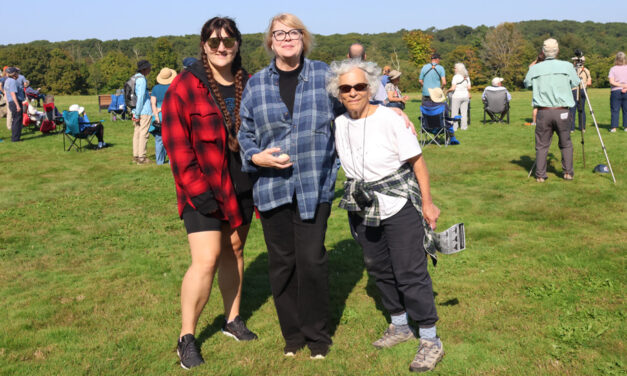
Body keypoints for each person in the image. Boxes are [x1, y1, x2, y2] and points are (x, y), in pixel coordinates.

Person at [327, 58, 444, 372]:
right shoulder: (338, 123)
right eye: (346, 88)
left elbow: (418, 164)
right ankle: (399, 325)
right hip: (362, 204)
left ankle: (430, 338)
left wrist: (428, 204)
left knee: (410, 270)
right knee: (377, 266)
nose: (353, 92)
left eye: (359, 86)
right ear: (338, 93)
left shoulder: (391, 119)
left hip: (398, 203)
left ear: (370, 88)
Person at [238, 13, 341, 359]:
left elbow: (352, 111)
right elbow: (245, 134)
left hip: (315, 183)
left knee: (311, 260)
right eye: (279, 33)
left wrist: (391, 113)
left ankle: (318, 337)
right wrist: (256, 158)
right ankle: (293, 336)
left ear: (303, 38)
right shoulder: (255, 85)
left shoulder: (324, 76)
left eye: (293, 32)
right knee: (282, 263)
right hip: (272, 187)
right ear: (270, 41)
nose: (286, 38)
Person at [161, 16, 258, 370]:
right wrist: (197, 190)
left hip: (242, 180)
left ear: (237, 45)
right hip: (201, 184)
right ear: (204, 45)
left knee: (235, 249)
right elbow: (176, 145)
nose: (221, 47)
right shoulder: (185, 87)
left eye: (228, 42)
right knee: (205, 259)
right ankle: (187, 337)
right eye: (214, 42)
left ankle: (232, 319)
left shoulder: (248, 82)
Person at [524, 38, 580, 182]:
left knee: (542, 145)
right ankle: (568, 173)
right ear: (558, 51)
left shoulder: (535, 68)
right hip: (562, 110)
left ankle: (540, 175)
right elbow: (575, 83)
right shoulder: (567, 66)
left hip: (543, 111)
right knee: (566, 142)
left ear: (543, 51)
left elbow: (527, 83)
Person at [150, 67, 176, 165]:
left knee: (159, 139)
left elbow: (153, 103)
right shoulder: (173, 87)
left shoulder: (155, 88)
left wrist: (156, 115)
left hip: (158, 115)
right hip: (170, 114)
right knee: (171, 139)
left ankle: (159, 161)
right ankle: (171, 161)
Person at [132, 60, 153, 164]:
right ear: (144, 69)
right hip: (143, 110)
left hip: (136, 109)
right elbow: (140, 97)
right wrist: (138, 113)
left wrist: (135, 112)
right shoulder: (142, 79)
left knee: (137, 132)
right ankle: (142, 158)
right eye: (149, 68)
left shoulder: (134, 77)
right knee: (143, 133)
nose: (150, 69)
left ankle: (136, 155)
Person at [446, 63, 471, 130]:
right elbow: (469, 88)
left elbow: (453, 88)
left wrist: (447, 91)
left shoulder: (456, 77)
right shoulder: (467, 77)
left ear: (458, 69)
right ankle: (464, 127)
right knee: (464, 112)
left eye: (455, 68)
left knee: (454, 112)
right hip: (465, 96)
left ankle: (454, 127)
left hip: (457, 96)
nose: (454, 69)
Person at [569, 57, 591, 132]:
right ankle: (582, 128)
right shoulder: (586, 70)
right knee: (581, 109)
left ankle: (571, 128)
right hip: (583, 90)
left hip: (574, 90)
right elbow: (589, 82)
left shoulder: (572, 70)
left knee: (572, 109)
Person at [525, 52, 546, 126]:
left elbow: (530, 66)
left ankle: (534, 122)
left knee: (535, 106)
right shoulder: (545, 66)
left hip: (537, 88)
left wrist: (536, 60)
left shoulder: (535, 67)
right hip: (545, 87)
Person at [608, 51, 627, 132]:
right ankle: (626, 127)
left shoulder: (613, 69)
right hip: (626, 90)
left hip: (615, 91)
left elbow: (611, 81)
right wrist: (625, 87)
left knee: (615, 110)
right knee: (626, 110)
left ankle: (614, 127)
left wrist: (620, 86)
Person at [4, 67, 23, 141]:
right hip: (15, 102)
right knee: (17, 120)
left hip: (11, 102)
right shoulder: (12, 81)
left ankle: (15, 137)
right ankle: (15, 138)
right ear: (14, 74)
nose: (18, 74)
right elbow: (13, 94)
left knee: (15, 119)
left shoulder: (7, 80)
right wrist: (17, 105)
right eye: (17, 73)